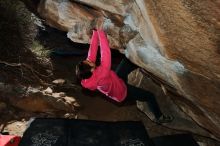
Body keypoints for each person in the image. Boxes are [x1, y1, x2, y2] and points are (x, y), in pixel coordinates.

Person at [75, 29, 173, 123]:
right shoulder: (102, 74)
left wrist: (95, 33)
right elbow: (105, 53)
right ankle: (159, 117)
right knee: (149, 96)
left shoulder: (88, 73)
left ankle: (146, 59)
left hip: (116, 80)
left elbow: (92, 51)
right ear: (91, 70)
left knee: (128, 60)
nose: (89, 60)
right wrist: (101, 32)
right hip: (123, 92)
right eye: (89, 62)